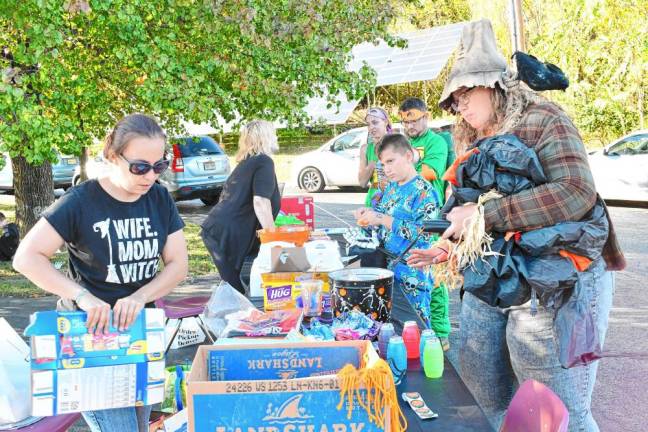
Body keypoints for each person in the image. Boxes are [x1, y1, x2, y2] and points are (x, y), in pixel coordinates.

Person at [407, 20, 625, 431]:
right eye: (454, 100)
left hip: (558, 278)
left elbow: (576, 192)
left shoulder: (545, 119)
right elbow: (469, 210)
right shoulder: (471, 138)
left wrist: (486, 215)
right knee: (479, 395)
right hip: (497, 277)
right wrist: (451, 246)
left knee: (556, 411)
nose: (461, 106)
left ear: (494, 85)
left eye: (466, 92)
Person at [13, 113, 188, 432]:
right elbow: (27, 258)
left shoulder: (159, 198)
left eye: (159, 165)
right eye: (140, 166)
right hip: (88, 339)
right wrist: (83, 296)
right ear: (112, 156)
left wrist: (140, 296)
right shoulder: (80, 201)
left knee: (140, 425)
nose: (150, 176)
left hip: (139, 335)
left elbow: (178, 264)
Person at [353, 133, 449, 341]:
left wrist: (382, 218)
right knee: (390, 335)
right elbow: (378, 215)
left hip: (413, 276)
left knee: (415, 334)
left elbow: (425, 234)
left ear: (408, 156)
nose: (386, 169)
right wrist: (366, 215)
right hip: (386, 272)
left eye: (390, 161)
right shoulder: (391, 187)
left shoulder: (424, 192)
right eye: (383, 164)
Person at [201, 120, 280, 294]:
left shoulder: (249, 162)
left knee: (237, 288)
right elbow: (260, 201)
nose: (276, 136)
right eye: (273, 133)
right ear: (265, 136)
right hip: (225, 233)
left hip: (220, 230)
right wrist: (273, 237)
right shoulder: (264, 161)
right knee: (235, 292)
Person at [398, 97, 449, 202]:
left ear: (426, 117)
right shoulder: (404, 143)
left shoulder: (436, 141)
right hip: (405, 201)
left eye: (414, 121)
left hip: (428, 202)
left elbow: (428, 173)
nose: (409, 126)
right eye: (406, 122)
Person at [358, 107, 391, 206]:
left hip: (393, 202)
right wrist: (372, 164)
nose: (371, 127)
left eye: (375, 122)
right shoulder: (365, 149)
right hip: (372, 203)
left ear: (385, 122)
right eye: (368, 124)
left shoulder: (396, 144)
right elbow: (362, 182)